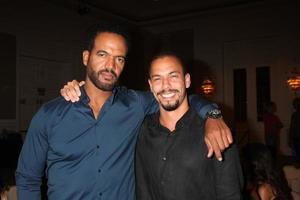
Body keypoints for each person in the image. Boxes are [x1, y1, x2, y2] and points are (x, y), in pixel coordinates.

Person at [16, 22, 232, 200]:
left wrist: (213, 114)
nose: (111, 65)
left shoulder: (135, 104)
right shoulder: (50, 115)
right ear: (85, 57)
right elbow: (27, 179)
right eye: (102, 54)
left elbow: (174, 95)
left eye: (119, 58)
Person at [135, 52, 243, 199]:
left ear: (187, 80)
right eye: (157, 78)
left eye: (173, 76)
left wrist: (213, 114)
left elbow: (230, 194)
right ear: (151, 86)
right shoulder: (140, 131)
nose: (166, 86)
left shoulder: (214, 131)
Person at [289, 97, 300, 162]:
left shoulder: (295, 115)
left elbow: (292, 127)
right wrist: (290, 138)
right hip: (296, 137)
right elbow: (292, 127)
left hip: (297, 137)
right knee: (297, 153)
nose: (294, 106)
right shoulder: (294, 115)